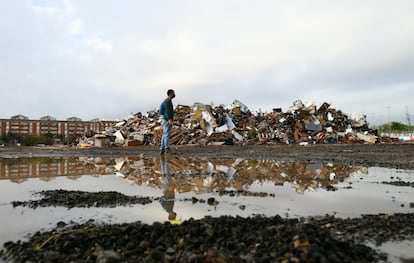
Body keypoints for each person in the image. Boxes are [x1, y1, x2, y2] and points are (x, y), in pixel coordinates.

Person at [160, 157, 177, 221]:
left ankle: (166, 160)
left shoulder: (168, 209)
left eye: (174, 216)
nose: (175, 215)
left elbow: (165, 200)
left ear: (170, 216)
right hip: (166, 190)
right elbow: (161, 200)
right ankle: (162, 160)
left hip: (168, 190)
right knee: (165, 174)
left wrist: (169, 191)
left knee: (167, 175)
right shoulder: (168, 209)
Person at [160, 89, 175, 155]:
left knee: (164, 134)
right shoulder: (168, 101)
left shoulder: (166, 101)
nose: (174, 94)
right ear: (170, 94)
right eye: (173, 93)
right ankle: (167, 149)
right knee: (167, 134)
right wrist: (170, 119)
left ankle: (162, 149)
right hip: (167, 119)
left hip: (165, 119)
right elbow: (168, 111)